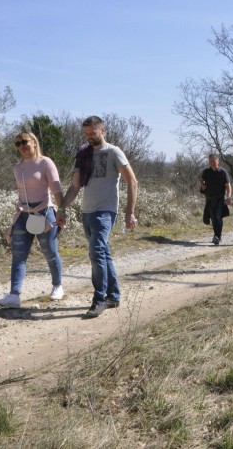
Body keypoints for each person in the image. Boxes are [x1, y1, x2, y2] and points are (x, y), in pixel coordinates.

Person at [62, 116, 138, 319]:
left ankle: (99, 300)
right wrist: (61, 208)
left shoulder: (113, 152)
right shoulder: (83, 153)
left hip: (106, 211)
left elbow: (132, 181)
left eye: (92, 133)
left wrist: (129, 212)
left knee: (96, 252)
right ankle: (113, 296)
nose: (89, 137)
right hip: (87, 211)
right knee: (103, 253)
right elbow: (75, 185)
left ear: (102, 130)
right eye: (86, 134)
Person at [0, 132, 67, 309]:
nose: (21, 146)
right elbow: (22, 191)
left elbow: (56, 186)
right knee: (18, 256)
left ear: (34, 142)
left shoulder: (45, 162)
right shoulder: (18, 167)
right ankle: (14, 295)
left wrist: (61, 210)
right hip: (24, 214)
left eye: (25, 142)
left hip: (44, 212)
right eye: (18, 144)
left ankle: (57, 286)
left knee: (50, 252)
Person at [200, 153, 232, 246]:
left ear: (218, 161)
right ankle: (216, 236)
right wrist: (202, 184)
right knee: (213, 218)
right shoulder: (206, 171)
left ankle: (218, 236)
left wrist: (229, 197)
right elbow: (201, 179)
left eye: (214, 161)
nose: (212, 163)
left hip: (220, 199)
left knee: (218, 217)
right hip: (209, 199)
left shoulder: (223, 172)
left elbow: (228, 185)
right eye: (210, 161)